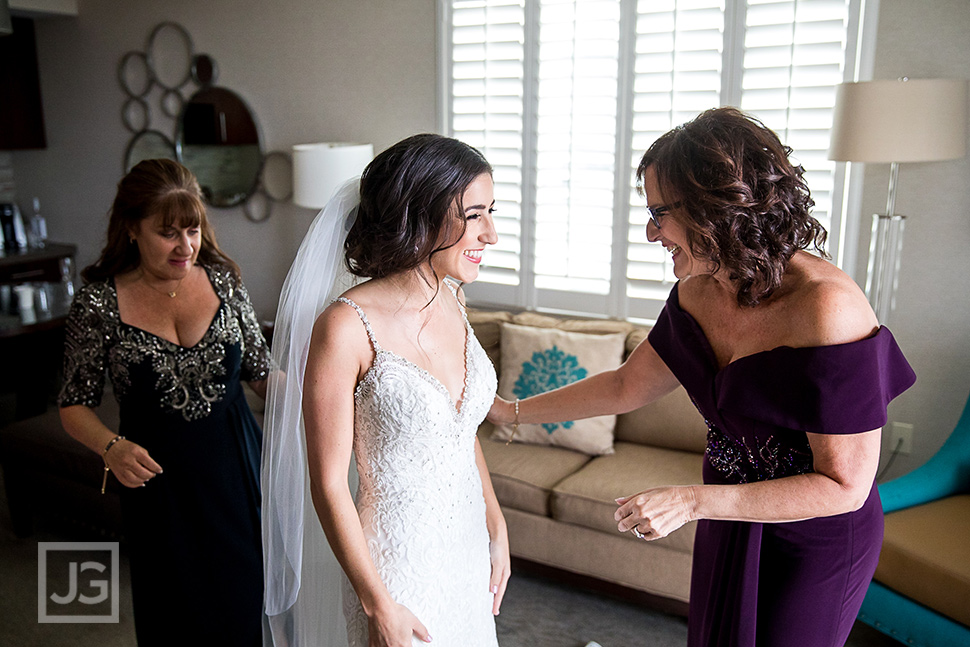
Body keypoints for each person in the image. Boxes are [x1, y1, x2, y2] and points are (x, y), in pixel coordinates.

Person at [488, 108, 916, 647]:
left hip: (814, 537)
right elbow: (626, 386)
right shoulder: (695, 291)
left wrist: (692, 501)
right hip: (729, 514)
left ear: (716, 207)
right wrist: (510, 411)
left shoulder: (828, 309)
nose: (650, 232)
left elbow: (844, 486)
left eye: (659, 213)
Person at [261, 133, 510, 647]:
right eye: (476, 214)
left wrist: (495, 521)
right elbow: (328, 483)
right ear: (423, 213)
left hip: (465, 547)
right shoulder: (345, 327)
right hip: (398, 565)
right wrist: (379, 603)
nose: (492, 233)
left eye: (492, 212)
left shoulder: (454, 300)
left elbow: (458, 432)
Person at [58, 159, 270, 647]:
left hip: (237, 475)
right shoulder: (98, 305)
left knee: (247, 603)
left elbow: (260, 372)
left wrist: (315, 393)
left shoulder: (223, 281)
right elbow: (73, 404)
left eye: (192, 230)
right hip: (159, 485)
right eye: (167, 232)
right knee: (176, 612)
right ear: (131, 228)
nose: (185, 246)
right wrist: (110, 447)